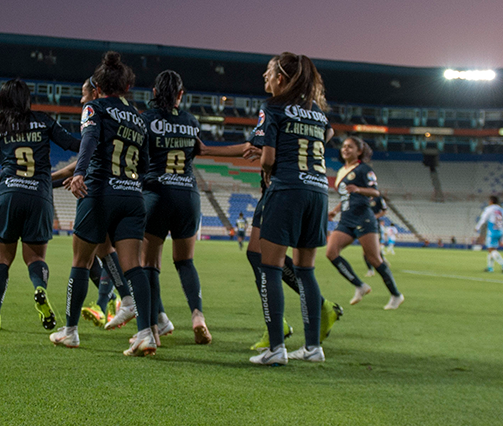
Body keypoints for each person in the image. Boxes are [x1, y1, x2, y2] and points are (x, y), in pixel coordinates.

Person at [50, 52, 157, 356]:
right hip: (132, 195)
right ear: (126, 87)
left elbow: (89, 140)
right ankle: (146, 333)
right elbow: (146, 164)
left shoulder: (94, 108)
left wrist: (81, 172)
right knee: (134, 266)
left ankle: (70, 331)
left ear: (97, 87)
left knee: (81, 262)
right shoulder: (138, 118)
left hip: (99, 192)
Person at [140, 70, 253, 346]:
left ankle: (152, 329)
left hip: (156, 194)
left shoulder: (146, 120)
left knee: (150, 264)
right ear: (181, 95)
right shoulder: (191, 122)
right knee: (185, 261)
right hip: (187, 196)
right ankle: (198, 316)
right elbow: (199, 150)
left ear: (154, 93)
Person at [0, 79, 81, 333]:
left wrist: (4, 155)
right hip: (39, 196)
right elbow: (71, 144)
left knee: (2, 258)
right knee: (35, 258)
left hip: (9, 193)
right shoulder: (44, 121)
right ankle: (40, 288)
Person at [249, 52, 333, 366]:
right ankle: (313, 347)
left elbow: (268, 158)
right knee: (306, 269)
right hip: (319, 191)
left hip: (287, 189)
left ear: (281, 79)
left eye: (269, 73)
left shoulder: (272, 107)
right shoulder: (319, 114)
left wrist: (268, 170)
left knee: (269, 266)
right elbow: (327, 137)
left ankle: (275, 348)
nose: (265, 78)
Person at [326, 138, 404, 310]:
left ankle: (396, 295)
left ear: (359, 151)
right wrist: (335, 211)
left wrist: (359, 189)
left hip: (363, 217)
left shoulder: (364, 169)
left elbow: (375, 192)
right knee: (331, 252)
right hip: (346, 218)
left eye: (350, 147)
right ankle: (360, 286)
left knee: (374, 258)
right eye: (344, 146)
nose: (345, 149)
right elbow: (347, 196)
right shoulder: (341, 171)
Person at [475, 196, 503, 273]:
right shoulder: (501, 210)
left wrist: (477, 227)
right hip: (500, 231)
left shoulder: (489, 209)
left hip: (492, 231)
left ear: (491, 201)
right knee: (493, 249)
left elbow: (483, 219)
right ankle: (490, 267)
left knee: (491, 249)